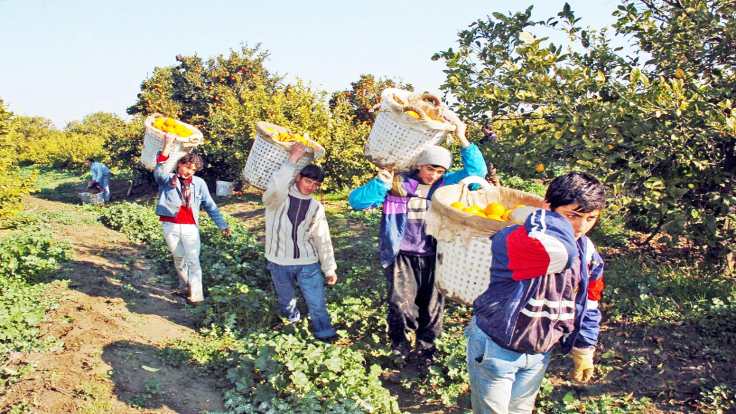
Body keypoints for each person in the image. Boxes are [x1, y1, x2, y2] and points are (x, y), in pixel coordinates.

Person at [348, 110, 487, 365]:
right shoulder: (398, 183)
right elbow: (356, 202)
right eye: (429, 168)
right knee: (401, 304)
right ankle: (400, 343)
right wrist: (380, 182)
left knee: (432, 306)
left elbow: (477, 174)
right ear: (419, 165)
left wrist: (462, 136)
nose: (433, 174)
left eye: (439, 170)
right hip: (402, 254)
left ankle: (426, 349)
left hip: (436, 254)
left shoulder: (446, 185)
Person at [466, 172, 607, 414]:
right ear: (547, 208)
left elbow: (589, 301)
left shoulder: (589, 254)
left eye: (590, 218)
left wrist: (584, 347)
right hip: (496, 348)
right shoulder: (514, 240)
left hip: (539, 351)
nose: (580, 227)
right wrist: (536, 216)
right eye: (572, 215)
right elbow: (561, 252)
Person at [263, 143, 338, 341]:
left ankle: (324, 333)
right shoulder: (278, 199)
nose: (311, 187)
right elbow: (277, 185)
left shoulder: (316, 206)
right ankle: (292, 331)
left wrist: (329, 268)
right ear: (298, 178)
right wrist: (292, 160)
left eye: (315, 184)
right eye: (307, 181)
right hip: (279, 261)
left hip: (307, 262)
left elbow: (322, 237)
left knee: (317, 301)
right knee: (286, 301)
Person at [153, 133, 230, 305]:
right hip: (170, 225)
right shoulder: (168, 180)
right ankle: (186, 286)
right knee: (179, 258)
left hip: (190, 228)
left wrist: (222, 225)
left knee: (193, 260)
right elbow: (158, 172)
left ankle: (196, 297)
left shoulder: (199, 183)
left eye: (193, 169)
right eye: (187, 167)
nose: (189, 171)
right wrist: (167, 145)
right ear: (180, 164)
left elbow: (210, 205)